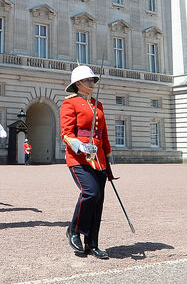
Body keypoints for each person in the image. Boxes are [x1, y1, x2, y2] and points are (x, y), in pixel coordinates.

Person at [61, 65, 111, 260]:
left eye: (92, 80)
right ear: (78, 83)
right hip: (79, 158)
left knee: (98, 201)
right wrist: (79, 146)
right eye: (89, 80)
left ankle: (92, 243)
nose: (92, 83)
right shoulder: (70, 103)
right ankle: (74, 230)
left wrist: (108, 154)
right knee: (91, 192)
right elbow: (66, 133)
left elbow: (102, 133)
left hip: (99, 158)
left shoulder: (98, 105)